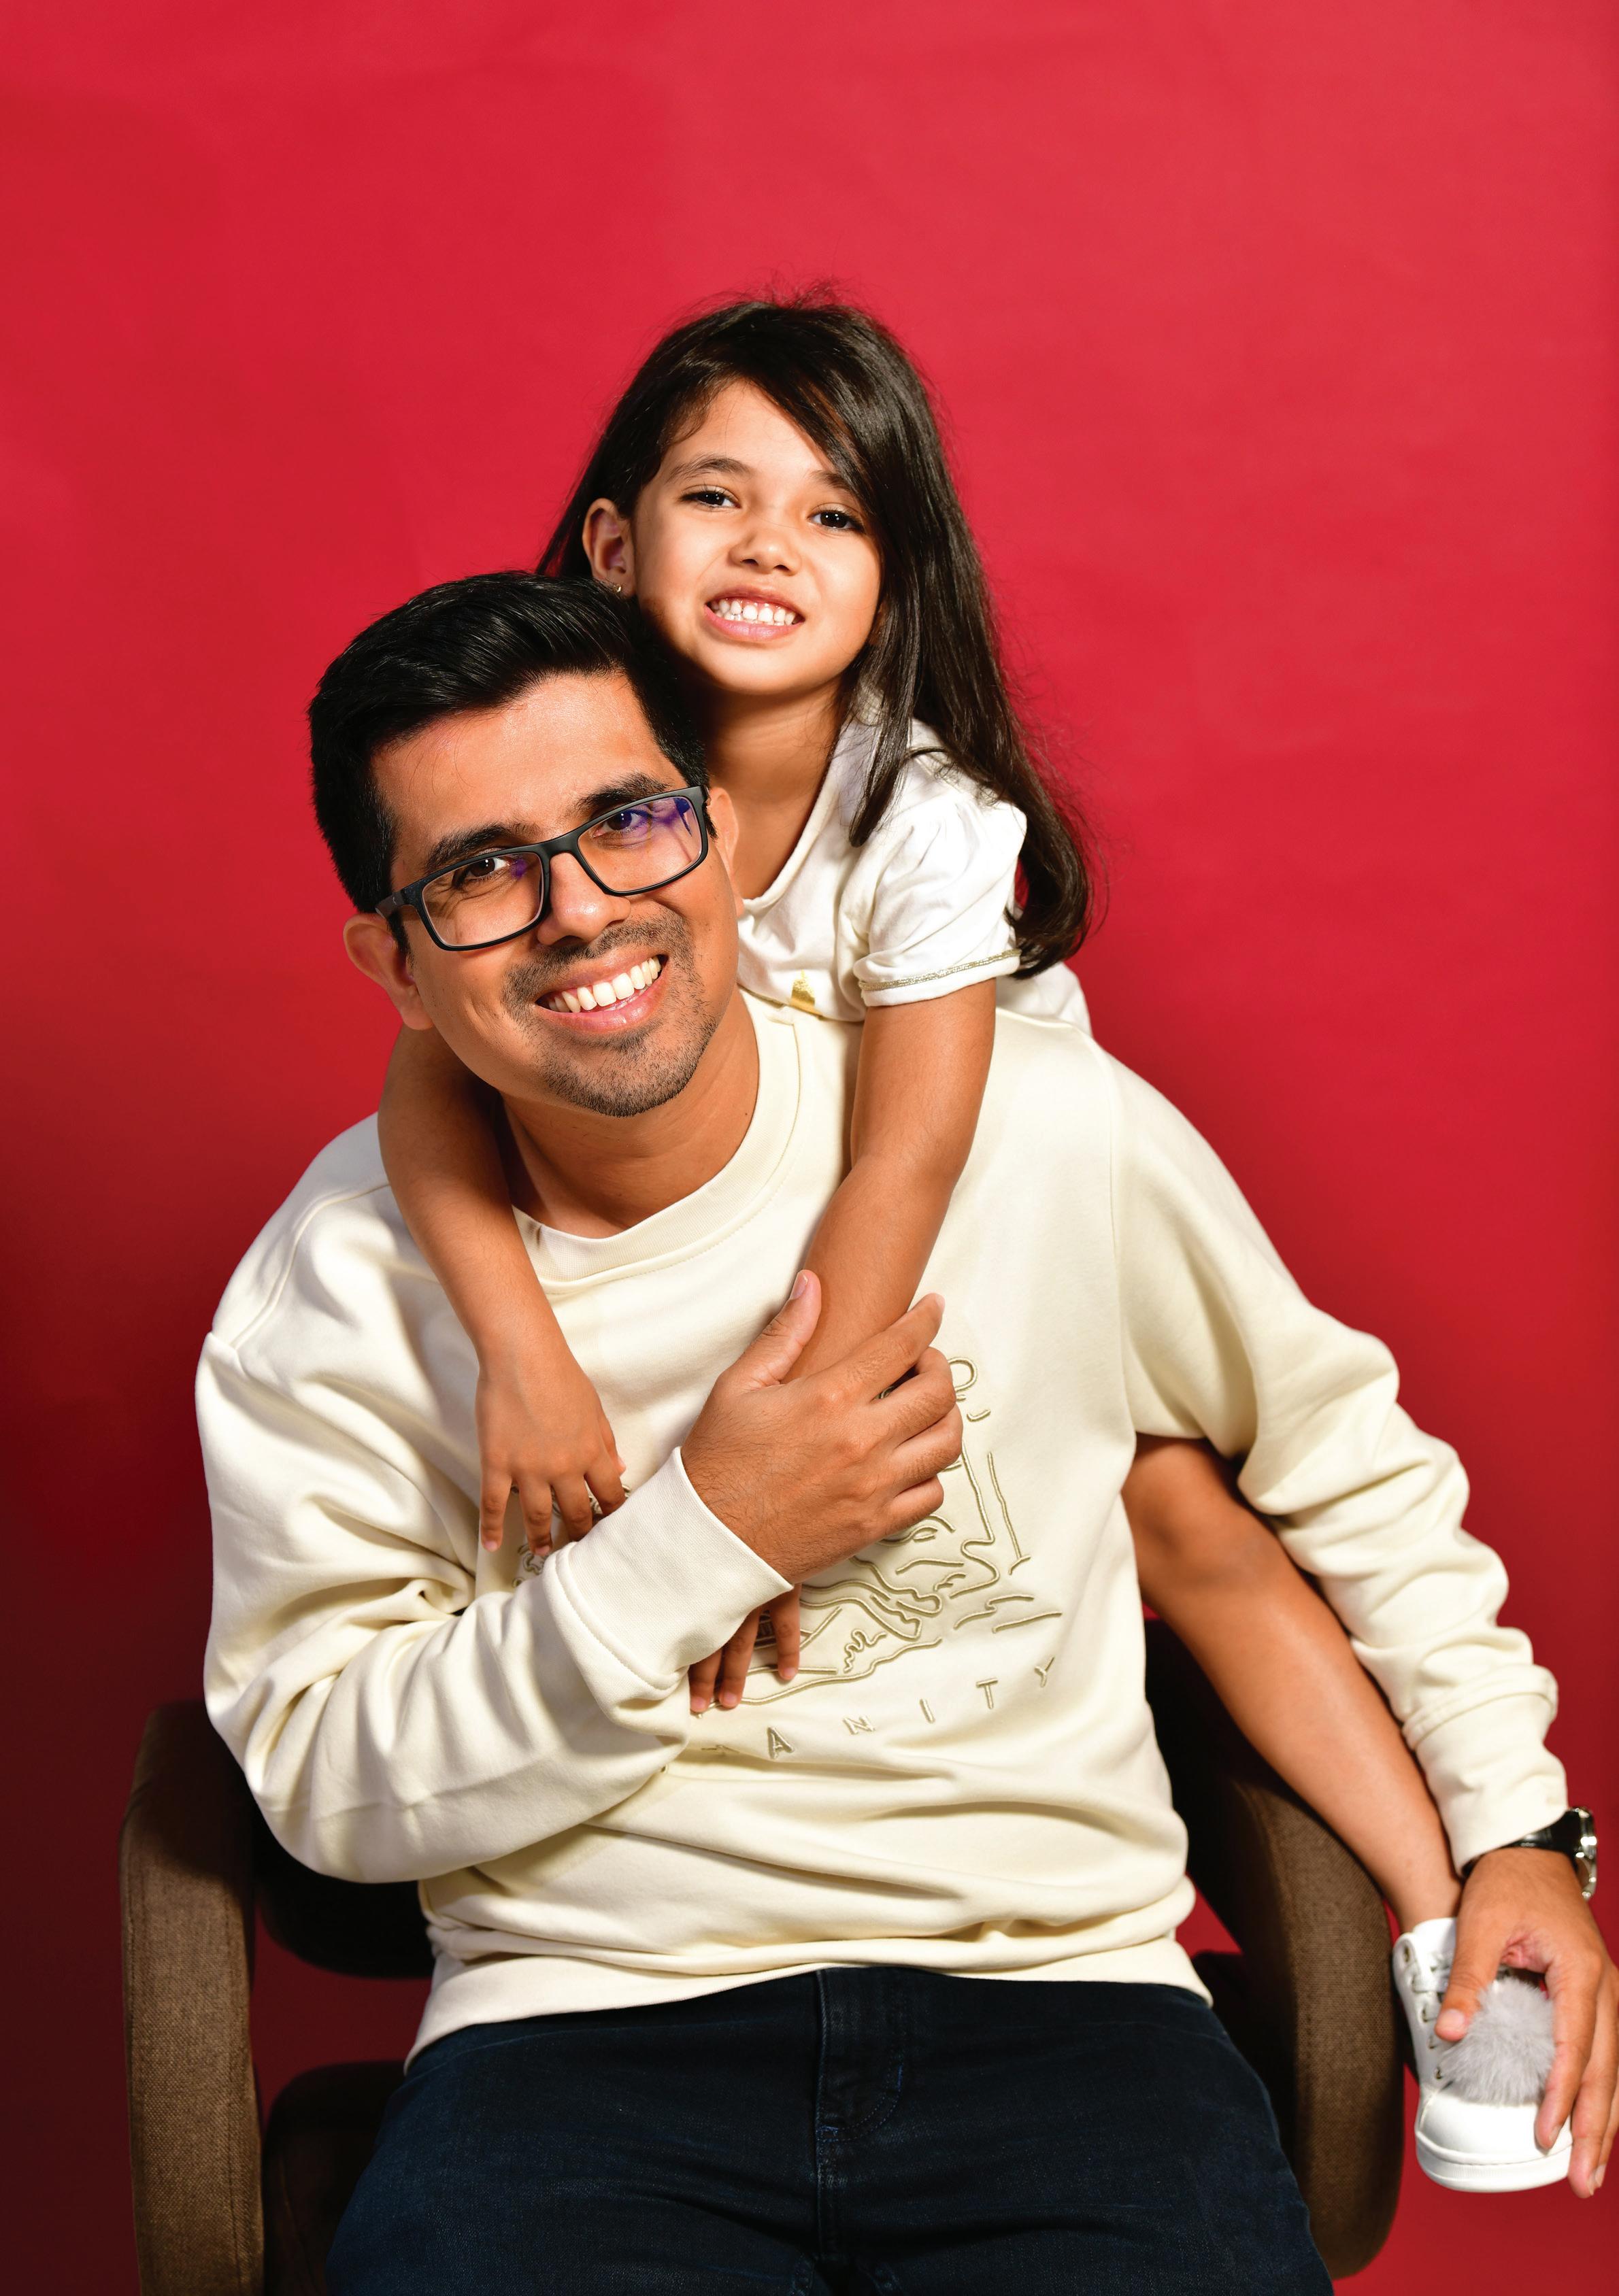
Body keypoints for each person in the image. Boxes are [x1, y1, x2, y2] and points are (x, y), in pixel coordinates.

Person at [201, 575, 1614, 2293]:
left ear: (719, 836)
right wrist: (703, 1536)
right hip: (575, 2034)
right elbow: (329, 1785)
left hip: (1066, 2009)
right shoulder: (333, 1292)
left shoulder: (1044, 1128)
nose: (579, 908)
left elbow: (1345, 1467)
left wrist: (1512, 1830)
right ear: (397, 965)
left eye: (626, 820)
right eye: (480, 871)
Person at [374, 300, 1471, 1982]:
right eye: (716, 495)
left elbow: (906, 1162)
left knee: (1179, 1506)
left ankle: (1442, 1909)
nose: (767, 543)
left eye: (833, 512)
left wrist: (750, 1502)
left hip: (960, 1200)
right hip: (755, 1213)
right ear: (609, 542)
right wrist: (520, 1351)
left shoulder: (925, 822)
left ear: (895, 579)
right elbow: (429, 1078)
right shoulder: (570, 796)